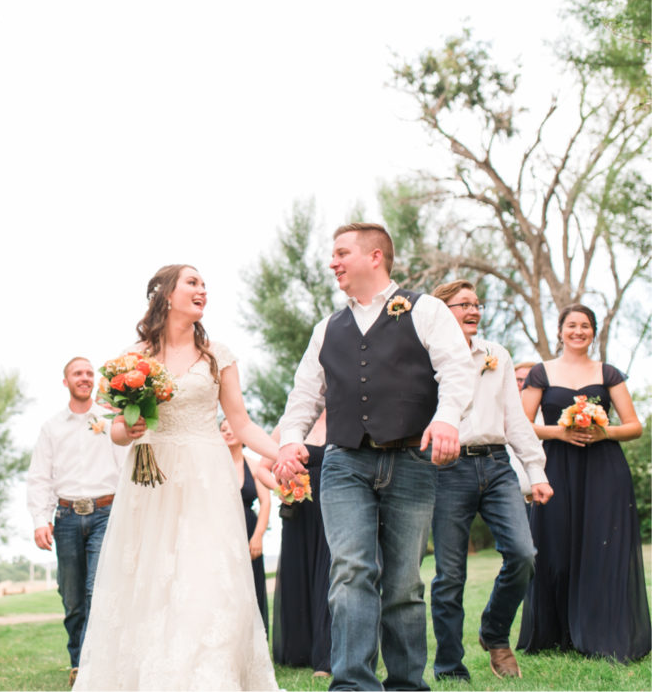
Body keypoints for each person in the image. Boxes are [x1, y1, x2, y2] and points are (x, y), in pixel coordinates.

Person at [273, 223, 475, 691]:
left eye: (342, 253)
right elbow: (305, 393)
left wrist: (447, 419)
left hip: (411, 462)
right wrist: (289, 440)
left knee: (404, 583)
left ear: (375, 256)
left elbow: (456, 370)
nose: (333, 262)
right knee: (350, 573)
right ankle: (352, 684)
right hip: (344, 463)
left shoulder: (426, 310)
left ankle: (405, 684)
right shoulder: (327, 328)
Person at [74, 264, 279, 690]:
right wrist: (127, 429)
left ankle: (210, 677)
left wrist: (283, 454)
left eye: (204, 284)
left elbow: (241, 423)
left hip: (206, 478)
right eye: (192, 282)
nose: (202, 289)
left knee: (206, 577)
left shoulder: (218, 354)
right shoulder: (135, 357)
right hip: (152, 480)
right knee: (150, 581)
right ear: (167, 295)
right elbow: (115, 429)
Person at [428, 280, 553, 682]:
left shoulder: (496, 354)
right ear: (441, 310)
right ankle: (450, 666)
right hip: (446, 469)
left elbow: (515, 418)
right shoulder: (423, 356)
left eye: (477, 304)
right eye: (463, 304)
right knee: (450, 574)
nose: (474, 310)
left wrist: (535, 471)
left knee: (523, 554)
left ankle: (495, 633)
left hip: (497, 465)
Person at [516, 304, 650, 662]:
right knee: (555, 546)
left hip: (604, 468)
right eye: (572, 325)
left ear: (593, 332)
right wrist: (560, 432)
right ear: (560, 331)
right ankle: (557, 632)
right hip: (555, 468)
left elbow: (634, 426)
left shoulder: (608, 373)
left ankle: (603, 632)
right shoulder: (541, 373)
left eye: (586, 326)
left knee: (603, 547)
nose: (579, 331)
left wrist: (604, 431)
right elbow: (521, 424)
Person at [26, 357, 128, 686]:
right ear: (66, 381)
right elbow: (39, 477)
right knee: (72, 600)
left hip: (105, 514)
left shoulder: (110, 421)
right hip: (67, 518)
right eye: (77, 373)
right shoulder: (51, 428)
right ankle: (78, 661)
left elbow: (125, 469)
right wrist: (40, 520)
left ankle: (89, 669)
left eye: (88, 373)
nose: (84, 378)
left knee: (96, 592)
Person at [257, 413, 332, 676]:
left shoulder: (342, 414)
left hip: (333, 508)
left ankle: (326, 655)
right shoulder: (289, 424)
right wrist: (282, 491)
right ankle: (300, 651)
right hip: (298, 510)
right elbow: (262, 468)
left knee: (329, 576)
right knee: (297, 575)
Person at [220, 418, 270, 634]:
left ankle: (255, 637)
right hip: (222, 533)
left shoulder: (254, 466)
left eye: (232, 427)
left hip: (249, 532)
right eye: (223, 429)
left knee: (252, 586)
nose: (228, 432)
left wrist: (258, 536)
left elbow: (265, 502)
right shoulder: (216, 466)